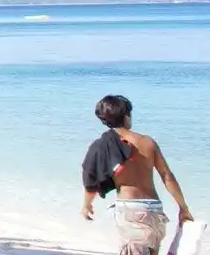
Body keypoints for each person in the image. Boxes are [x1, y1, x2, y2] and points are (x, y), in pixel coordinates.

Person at [79, 94, 193, 255]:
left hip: (130, 211)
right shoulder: (148, 142)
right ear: (126, 117)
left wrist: (86, 205)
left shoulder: (102, 146)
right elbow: (167, 176)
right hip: (155, 210)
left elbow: (90, 180)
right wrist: (183, 207)